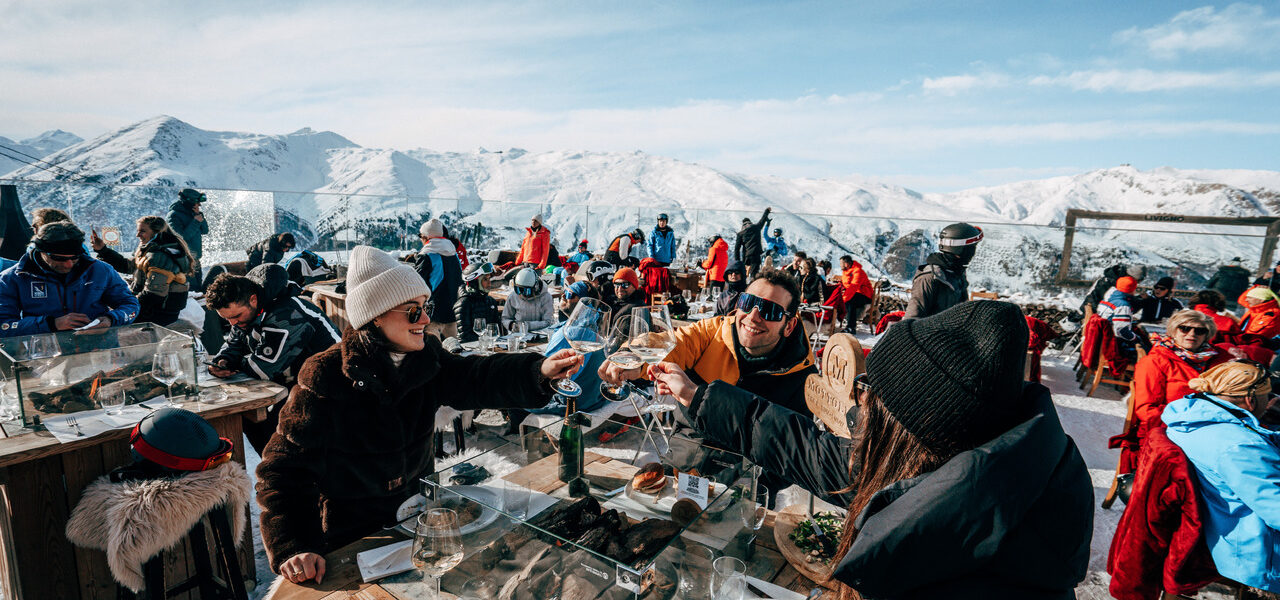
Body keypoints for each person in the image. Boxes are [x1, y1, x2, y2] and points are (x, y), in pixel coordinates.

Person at [650, 300, 1093, 597]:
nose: (859, 398)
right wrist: (698, 396)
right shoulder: (952, 477)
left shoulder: (979, 565)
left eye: (870, 391)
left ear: (909, 426)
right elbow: (811, 450)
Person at [256, 245, 582, 584]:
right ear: (376, 316)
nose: (425, 320)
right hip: (354, 540)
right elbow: (282, 470)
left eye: (424, 308)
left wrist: (538, 371)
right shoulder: (326, 376)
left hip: (424, 519)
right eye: (412, 312)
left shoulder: (426, 358)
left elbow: (476, 377)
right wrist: (294, 544)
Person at [602, 269, 815, 417]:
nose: (753, 316)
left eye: (770, 311)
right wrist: (633, 357)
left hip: (751, 476)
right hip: (690, 462)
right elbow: (674, 342)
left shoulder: (801, 376)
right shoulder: (714, 332)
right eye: (748, 303)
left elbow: (790, 444)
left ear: (789, 325)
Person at [1163, 361, 1280, 597]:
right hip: (1256, 550)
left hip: (1225, 528)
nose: (1271, 401)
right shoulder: (1239, 446)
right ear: (1250, 400)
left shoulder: (1191, 416)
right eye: (1269, 396)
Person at [206, 264, 340, 453]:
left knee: (270, 432)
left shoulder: (287, 315)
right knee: (248, 418)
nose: (232, 323)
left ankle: (288, 471)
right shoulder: (247, 313)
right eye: (227, 319)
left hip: (331, 390)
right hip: (293, 384)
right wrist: (222, 361)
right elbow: (234, 343)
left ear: (253, 300)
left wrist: (235, 364)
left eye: (236, 316)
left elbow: (262, 369)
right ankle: (279, 467)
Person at [1111, 309, 1228, 475]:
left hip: (1214, 425)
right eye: (1184, 328)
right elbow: (1147, 411)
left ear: (1207, 335)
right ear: (1174, 330)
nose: (1192, 334)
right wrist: (1194, 421)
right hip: (1171, 428)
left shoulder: (1217, 360)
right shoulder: (1156, 361)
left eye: (1200, 330)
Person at [0, 222, 138, 336]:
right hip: (44, 355)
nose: (68, 264)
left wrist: (111, 319)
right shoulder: (12, 278)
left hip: (98, 350)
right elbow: (4, 326)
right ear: (40, 250)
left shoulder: (101, 270)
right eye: (59, 258)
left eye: (74, 257)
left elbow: (131, 305)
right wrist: (51, 324)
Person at [91, 216, 195, 326]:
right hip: (151, 308)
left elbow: (154, 294)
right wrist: (103, 250)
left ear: (156, 232)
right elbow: (128, 266)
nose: (137, 235)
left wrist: (128, 307)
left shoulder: (160, 256)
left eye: (143, 231)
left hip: (159, 313)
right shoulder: (150, 250)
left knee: (113, 323)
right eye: (138, 231)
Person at [904, 222, 981, 319]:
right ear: (961, 249)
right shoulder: (929, 278)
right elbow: (911, 320)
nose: (973, 252)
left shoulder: (957, 273)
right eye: (972, 248)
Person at [413, 219, 462, 339]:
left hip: (434, 312)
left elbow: (417, 282)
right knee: (452, 348)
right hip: (453, 308)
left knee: (433, 348)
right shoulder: (452, 252)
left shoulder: (427, 254)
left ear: (426, 237)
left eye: (421, 236)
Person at [166, 188, 208, 291]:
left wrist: (199, 217)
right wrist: (195, 222)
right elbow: (181, 238)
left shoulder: (194, 213)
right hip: (184, 261)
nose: (199, 205)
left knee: (199, 289)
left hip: (195, 260)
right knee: (191, 291)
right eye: (197, 202)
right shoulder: (174, 216)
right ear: (189, 202)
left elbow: (205, 230)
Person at [1096, 276, 1141, 352]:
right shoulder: (1123, 305)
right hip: (1111, 342)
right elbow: (1122, 331)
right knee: (1144, 347)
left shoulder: (1109, 296)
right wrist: (1136, 338)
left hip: (1100, 336)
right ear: (1131, 290)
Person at [502, 267, 555, 331]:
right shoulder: (513, 296)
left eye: (526, 291)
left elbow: (548, 322)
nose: (521, 294)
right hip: (519, 334)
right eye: (518, 289)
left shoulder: (546, 297)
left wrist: (526, 326)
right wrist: (511, 325)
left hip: (541, 333)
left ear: (535, 287)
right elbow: (505, 318)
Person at [836, 255, 873, 333]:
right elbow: (846, 284)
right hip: (855, 294)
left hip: (865, 295)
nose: (840, 265)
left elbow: (853, 287)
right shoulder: (846, 272)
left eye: (841, 263)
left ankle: (851, 327)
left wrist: (844, 299)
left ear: (846, 264)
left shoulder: (858, 271)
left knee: (850, 301)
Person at [734, 207, 771, 280]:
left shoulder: (740, 234)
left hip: (746, 257)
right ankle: (753, 286)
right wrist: (767, 211)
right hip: (756, 255)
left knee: (744, 274)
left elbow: (737, 249)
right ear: (750, 222)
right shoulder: (756, 227)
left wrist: (737, 262)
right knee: (754, 274)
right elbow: (762, 220)